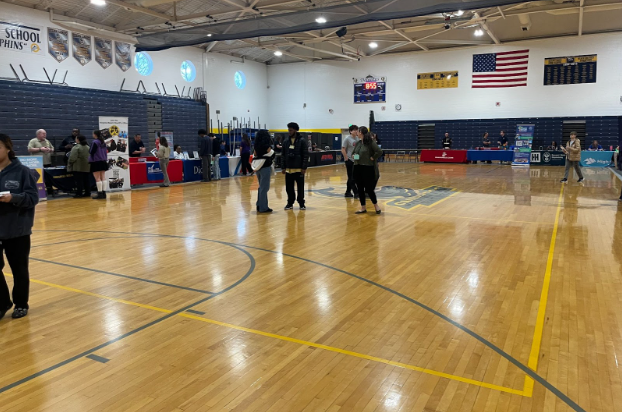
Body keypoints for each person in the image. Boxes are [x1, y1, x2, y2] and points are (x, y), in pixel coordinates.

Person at [0, 134, 39, 320]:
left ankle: (21, 304)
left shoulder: (22, 171)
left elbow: (33, 198)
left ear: (8, 148)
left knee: (19, 270)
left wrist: (13, 198)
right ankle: (2, 302)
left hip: (17, 230)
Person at [353, 126, 383, 214]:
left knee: (369, 189)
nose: (356, 133)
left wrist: (373, 158)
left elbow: (379, 151)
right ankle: (363, 208)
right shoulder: (358, 143)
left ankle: (376, 206)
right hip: (358, 167)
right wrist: (355, 157)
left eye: (357, 131)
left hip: (367, 168)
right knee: (360, 189)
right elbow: (354, 154)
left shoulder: (370, 143)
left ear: (361, 132)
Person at [281, 122, 309, 210]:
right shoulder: (285, 141)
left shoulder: (302, 141)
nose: (289, 131)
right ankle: (290, 203)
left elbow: (305, 155)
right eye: (288, 130)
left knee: (300, 188)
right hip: (289, 169)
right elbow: (283, 155)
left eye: (291, 130)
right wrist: (283, 167)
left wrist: (304, 167)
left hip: (299, 169)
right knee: (289, 188)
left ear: (296, 130)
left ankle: (301, 203)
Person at [28, 129, 55, 195]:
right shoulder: (33, 141)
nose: (45, 135)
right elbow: (29, 149)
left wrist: (49, 149)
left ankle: (50, 190)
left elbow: (53, 148)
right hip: (38, 164)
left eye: (45, 133)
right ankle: (38, 192)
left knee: (48, 178)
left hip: (47, 162)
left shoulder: (47, 141)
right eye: (43, 134)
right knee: (39, 178)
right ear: (38, 134)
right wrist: (40, 149)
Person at [253, 130, 274, 213]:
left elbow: (254, 154)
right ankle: (263, 207)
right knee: (264, 187)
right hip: (265, 167)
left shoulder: (256, 145)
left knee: (261, 187)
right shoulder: (267, 145)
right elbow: (271, 153)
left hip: (258, 167)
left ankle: (259, 204)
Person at [89, 130, 109, 199]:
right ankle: (104, 193)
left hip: (96, 161)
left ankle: (100, 194)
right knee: (103, 177)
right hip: (103, 161)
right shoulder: (103, 142)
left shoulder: (95, 142)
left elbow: (91, 151)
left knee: (97, 178)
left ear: (95, 134)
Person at [342, 125, 359, 198]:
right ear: (351, 131)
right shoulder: (347, 139)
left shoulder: (358, 139)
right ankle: (356, 192)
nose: (356, 131)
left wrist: (358, 158)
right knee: (351, 177)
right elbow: (343, 149)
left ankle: (347, 192)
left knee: (352, 177)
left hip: (356, 159)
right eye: (355, 130)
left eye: (357, 130)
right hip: (349, 160)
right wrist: (346, 158)